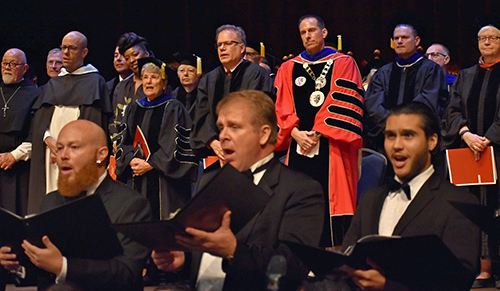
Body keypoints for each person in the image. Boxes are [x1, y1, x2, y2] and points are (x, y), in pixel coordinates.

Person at [152, 90, 324, 291]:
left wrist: (234, 251)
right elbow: (204, 256)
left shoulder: (300, 189)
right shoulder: (208, 180)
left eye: (234, 127)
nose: (223, 135)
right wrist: (183, 257)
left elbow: (293, 266)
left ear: (264, 134)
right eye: (221, 127)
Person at [0, 120, 152, 291]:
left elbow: (127, 273)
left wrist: (63, 266)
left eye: (74, 147)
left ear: (101, 154)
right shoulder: (51, 200)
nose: (63, 155)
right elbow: (40, 275)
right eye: (59, 148)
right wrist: (17, 264)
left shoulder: (131, 204)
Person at [342, 102, 479, 290]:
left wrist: (387, 286)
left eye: (408, 135)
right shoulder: (369, 199)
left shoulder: (459, 203)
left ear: (432, 141)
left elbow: (458, 282)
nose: (397, 145)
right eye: (390, 136)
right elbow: (346, 261)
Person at [274, 14, 364, 248]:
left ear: (323, 33)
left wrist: (317, 133)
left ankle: (334, 260)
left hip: (332, 144)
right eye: (303, 32)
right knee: (298, 200)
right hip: (297, 145)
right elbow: (280, 106)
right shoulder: (288, 67)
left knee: (332, 201)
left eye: (312, 30)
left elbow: (345, 102)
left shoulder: (343, 63)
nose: (307, 36)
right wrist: (294, 133)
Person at [28, 31, 111, 214]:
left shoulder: (95, 82)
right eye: (63, 47)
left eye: (72, 48)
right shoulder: (54, 83)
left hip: (76, 155)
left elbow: (94, 123)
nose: (65, 52)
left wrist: (67, 149)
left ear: (84, 52)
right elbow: (40, 120)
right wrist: (49, 142)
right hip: (50, 154)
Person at [445, 20, 500, 288]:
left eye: (493, 38)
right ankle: (476, 266)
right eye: (482, 38)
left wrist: (488, 138)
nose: (486, 42)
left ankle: (493, 268)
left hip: (497, 152)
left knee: (494, 208)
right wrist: (466, 134)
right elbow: (452, 110)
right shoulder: (465, 75)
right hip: (469, 153)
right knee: (471, 208)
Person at [115, 57, 198, 220]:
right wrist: (130, 159)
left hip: (164, 182)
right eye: (145, 77)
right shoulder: (133, 108)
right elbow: (123, 141)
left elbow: (174, 144)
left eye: (154, 77)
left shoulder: (173, 107)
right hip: (136, 175)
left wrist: (151, 164)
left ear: (164, 82)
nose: (148, 82)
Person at [190, 24, 272, 160]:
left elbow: (258, 113)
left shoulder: (257, 74)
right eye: (219, 45)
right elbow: (201, 115)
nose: (222, 48)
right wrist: (213, 142)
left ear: (242, 48)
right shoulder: (209, 79)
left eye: (228, 43)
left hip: (246, 153)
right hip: (215, 152)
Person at [364, 24, 448, 151]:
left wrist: (403, 124)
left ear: (417, 41)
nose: (399, 41)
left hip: (419, 139)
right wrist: (393, 125)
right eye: (396, 38)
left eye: (404, 37)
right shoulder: (383, 72)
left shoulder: (431, 70)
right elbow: (373, 106)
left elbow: (430, 101)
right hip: (386, 138)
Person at [0, 48, 40, 216]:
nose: (8, 67)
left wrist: (14, 155)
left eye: (13, 64)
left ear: (25, 68)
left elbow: (36, 130)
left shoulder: (35, 94)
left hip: (18, 168)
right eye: (5, 63)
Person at [112, 32, 151, 126]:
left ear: (146, 54)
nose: (132, 60)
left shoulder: (158, 84)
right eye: (127, 58)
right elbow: (114, 120)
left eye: (135, 54)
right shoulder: (121, 87)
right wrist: (116, 139)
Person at [171, 51, 202, 120]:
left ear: (199, 73)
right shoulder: (172, 96)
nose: (185, 74)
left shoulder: (204, 95)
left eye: (190, 71)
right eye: (181, 71)